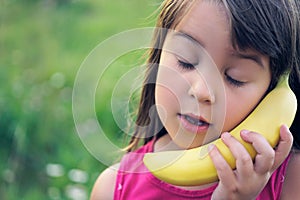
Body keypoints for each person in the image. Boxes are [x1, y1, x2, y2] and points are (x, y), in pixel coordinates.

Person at [91, 0, 300, 199]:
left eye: (235, 77)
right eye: (186, 61)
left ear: (271, 92)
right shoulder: (112, 189)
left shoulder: (291, 182)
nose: (202, 91)